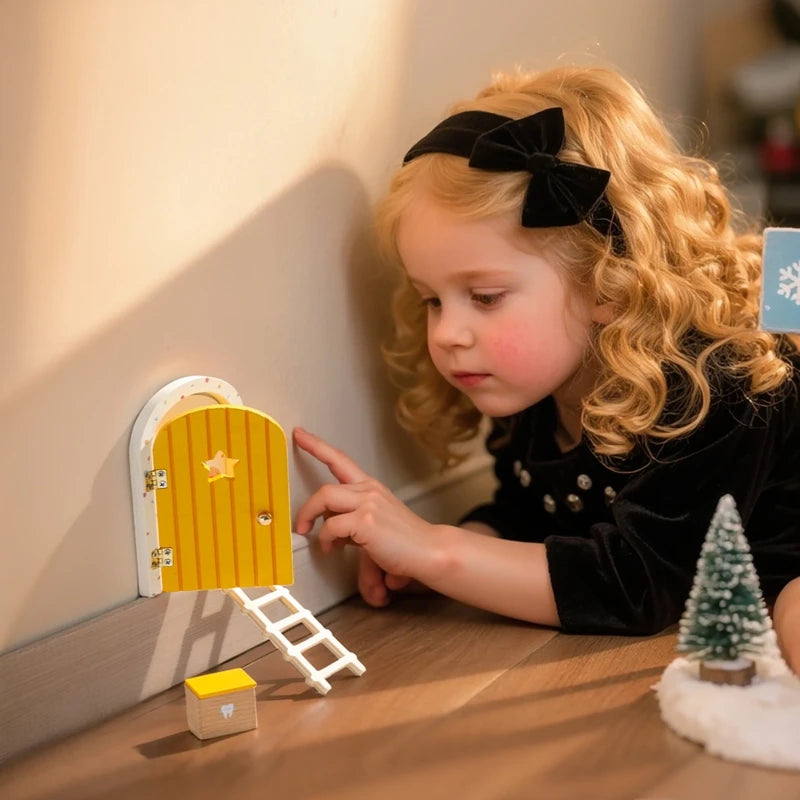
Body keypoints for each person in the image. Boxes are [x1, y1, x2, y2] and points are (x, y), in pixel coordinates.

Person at [293, 65, 800, 669]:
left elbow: (645, 586)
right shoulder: (533, 387)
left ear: (607, 283)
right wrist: (439, 555)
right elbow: (528, 517)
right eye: (432, 300)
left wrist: (438, 550)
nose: (449, 334)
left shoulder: (718, 378)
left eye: (484, 297)